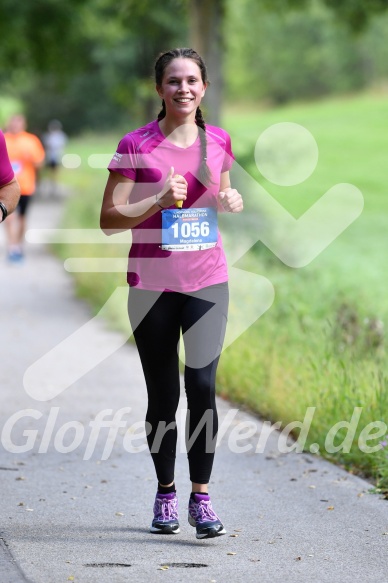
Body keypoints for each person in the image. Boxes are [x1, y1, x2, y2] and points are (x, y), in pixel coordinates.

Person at [100, 48, 243, 539]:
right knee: (164, 395)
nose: (184, 88)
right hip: (152, 287)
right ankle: (165, 493)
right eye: (174, 81)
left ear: (203, 88)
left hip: (207, 282)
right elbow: (108, 220)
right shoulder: (135, 144)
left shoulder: (219, 139)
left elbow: (219, 196)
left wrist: (230, 197)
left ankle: (201, 498)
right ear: (159, 88)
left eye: (192, 81)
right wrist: (156, 200)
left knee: (202, 388)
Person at [4, 114, 45, 262]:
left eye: (18, 123)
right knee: (8, 216)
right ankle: (12, 247)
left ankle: (18, 244)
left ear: (23, 125)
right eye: (13, 123)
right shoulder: (4, 139)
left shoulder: (31, 141)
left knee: (22, 218)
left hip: (26, 186)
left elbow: (40, 163)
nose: (15, 126)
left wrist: (31, 159)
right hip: (6, 186)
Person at [0, 129, 21, 226]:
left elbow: (10, 185)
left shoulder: (30, 140)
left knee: (22, 216)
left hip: (28, 185)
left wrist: (1, 209)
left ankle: (15, 241)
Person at [42, 119, 67, 195]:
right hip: (50, 157)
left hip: (56, 157)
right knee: (50, 172)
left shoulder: (60, 136)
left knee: (55, 172)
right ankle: (51, 184)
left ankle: (54, 185)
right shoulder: (49, 136)